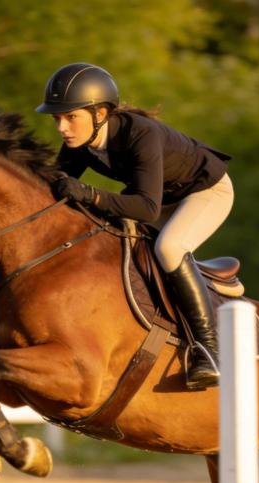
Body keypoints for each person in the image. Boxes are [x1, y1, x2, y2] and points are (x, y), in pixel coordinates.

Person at [36, 63, 233, 390]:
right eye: (57, 118)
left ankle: (209, 350)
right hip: (159, 197)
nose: (61, 127)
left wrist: (90, 194)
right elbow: (50, 187)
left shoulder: (141, 134)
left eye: (71, 117)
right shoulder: (80, 142)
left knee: (169, 248)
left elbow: (145, 207)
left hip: (205, 192)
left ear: (100, 113)